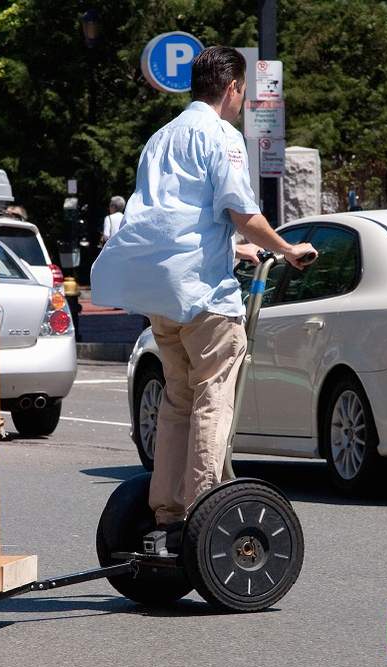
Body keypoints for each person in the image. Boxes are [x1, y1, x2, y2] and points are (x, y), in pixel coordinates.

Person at [91, 46, 317, 536]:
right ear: (232, 88)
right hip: (203, 297)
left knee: (177, 398)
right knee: (214, 394)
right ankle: (202, 508)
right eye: (241, 94)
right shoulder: (223, 137)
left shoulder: (161, 137)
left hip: (162, 295)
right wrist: (288, 248)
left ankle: (166, 510)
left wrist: (234, 250)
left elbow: (171, 218)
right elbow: (243, 213)